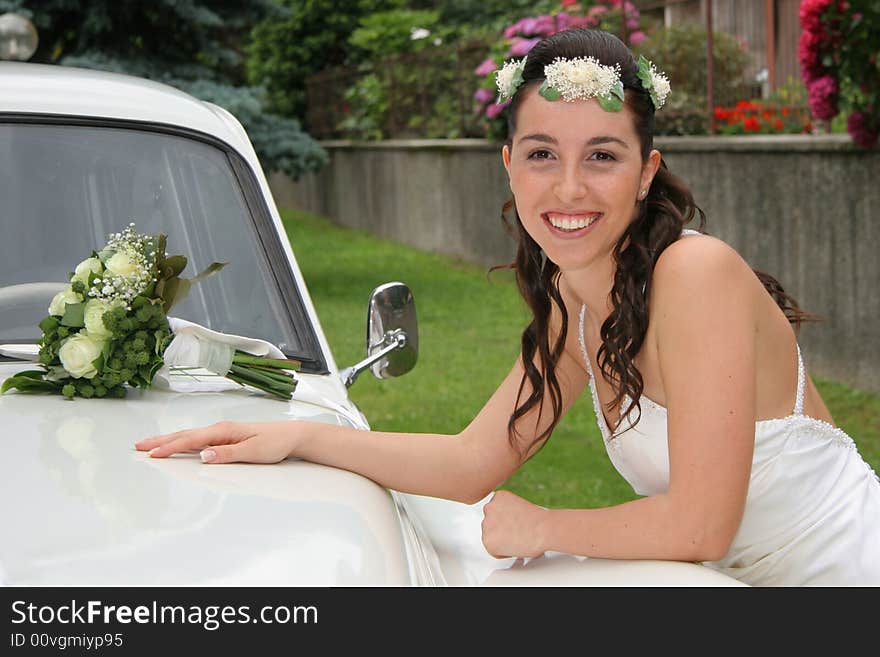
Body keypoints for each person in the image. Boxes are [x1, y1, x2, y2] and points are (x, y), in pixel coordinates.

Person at [135, 28, 880, 586]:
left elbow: (702, 525)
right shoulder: (575, 303)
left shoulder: (697, 272)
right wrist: (301, 437)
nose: (568, 189)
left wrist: (542, 525)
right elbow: (470, 461)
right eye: (542, 153)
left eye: (603, 155)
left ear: (647, 171)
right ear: (509, 163)